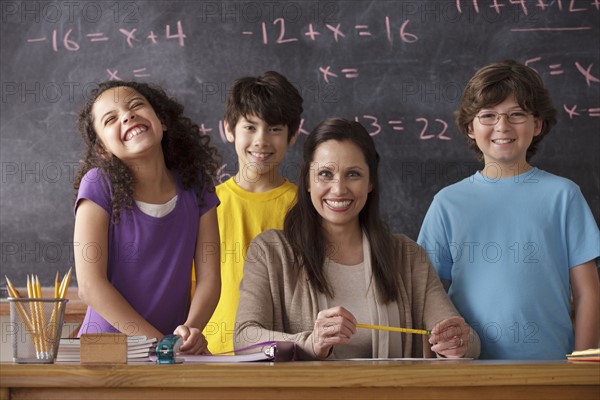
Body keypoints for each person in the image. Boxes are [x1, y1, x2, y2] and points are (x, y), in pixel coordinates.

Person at [234, 118, 480, 360]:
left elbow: (467, 340)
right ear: (308, 181)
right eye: (325, 174)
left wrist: (458, 342)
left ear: (370, 182)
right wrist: (310, 343)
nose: (339, 188)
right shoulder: (270, 251)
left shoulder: (407, 255)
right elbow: (244, 340)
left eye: (353, 174)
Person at [417, 60, 600, 359]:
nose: (502, 126)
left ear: (537, 124)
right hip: (466, 372)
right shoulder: (448, 203)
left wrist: (584, 366)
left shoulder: (564, 196)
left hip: (552, 368)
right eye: (488, 115)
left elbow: (588, 293)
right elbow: (424, 296)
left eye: (517, 114)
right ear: (470, 127)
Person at [73, 81, 221, 354]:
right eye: (110, 119)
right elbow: (90, 286)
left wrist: (187, 333)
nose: (127, 116)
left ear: (161, 120)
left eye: (136, 105)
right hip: (107, 350)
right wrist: (159, 344)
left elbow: (210, 280)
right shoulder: (97, 184)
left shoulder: (197, 185)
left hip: (173, 350)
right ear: (103, 150)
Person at [203, 71, 303, 354]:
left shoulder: (305, 207)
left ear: (293, 134)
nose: (261, 140)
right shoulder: (206, 205)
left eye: (274, 129)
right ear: (229, 129)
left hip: (286, 353)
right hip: (213, 353)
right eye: (250, 127)